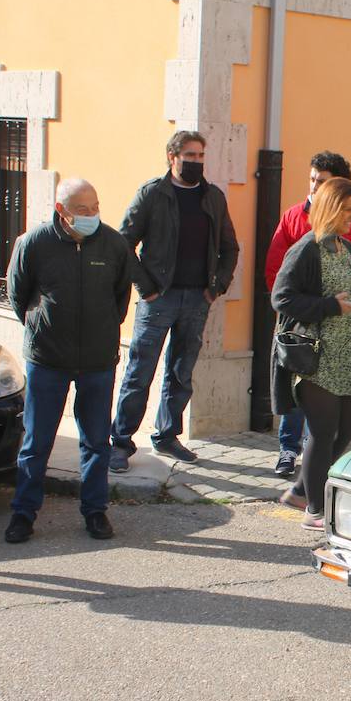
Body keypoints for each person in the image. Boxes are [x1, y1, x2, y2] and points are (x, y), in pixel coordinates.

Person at [4, 178, 133, 543]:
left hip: (97, 361)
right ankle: (23, 514)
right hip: (47, 360)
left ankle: (95, 511)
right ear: (61, 211)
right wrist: (41, 326)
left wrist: (105, 328)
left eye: (95, 207)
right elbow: (18, 295)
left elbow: (121, 297)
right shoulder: (34, 244)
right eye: (82, 210)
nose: (91, 215)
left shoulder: (113, 244)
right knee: (37, 441)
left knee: (96, 441)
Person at [110, 130, 239, 471]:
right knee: (140, 371)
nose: (196, 162)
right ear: (172, 156)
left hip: (197, 299)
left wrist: (218, 287)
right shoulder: (153, 194)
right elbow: (124, 243)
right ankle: (121, 442)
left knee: (181, 372)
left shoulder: (212, 197)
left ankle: (167, 435)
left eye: (200, 156)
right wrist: (146, 288)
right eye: (190, 156)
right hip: (159, 300)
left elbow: (230, 247)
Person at [271, 177, 351, 529]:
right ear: (330, 209)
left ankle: (303, 489)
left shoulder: (346, 248)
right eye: (348, 210)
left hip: (347, 356)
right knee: (322, 432)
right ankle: (315, 509)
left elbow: (350, 291)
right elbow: (282, 297)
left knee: (350, 424)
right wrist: (329, 307)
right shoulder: (307, 249)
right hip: (316, 359)